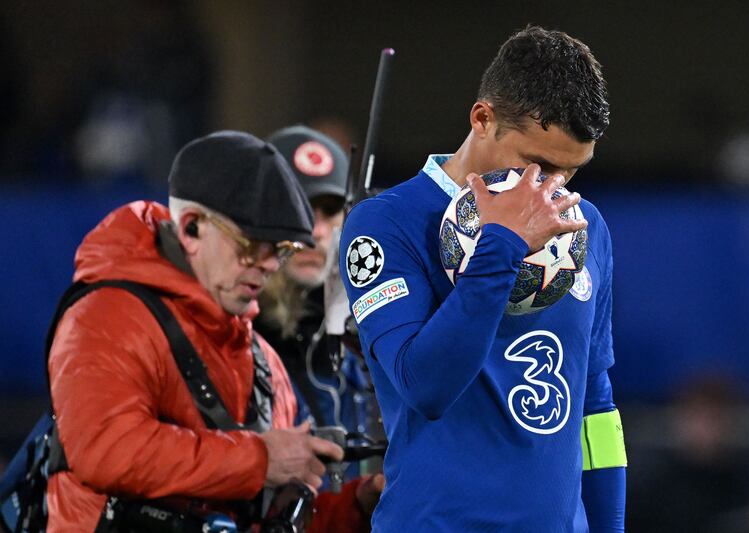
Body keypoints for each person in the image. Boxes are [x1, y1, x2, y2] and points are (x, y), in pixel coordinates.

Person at [340, 26, 626, 531]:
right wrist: (505, 243)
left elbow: (595, 405)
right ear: (482, 119)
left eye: (570, 172)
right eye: (537, 164)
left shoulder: (587, 229)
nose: (550, 189)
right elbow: (425, 386)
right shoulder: (387, 224)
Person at [46, 130, 375, 531]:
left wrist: (355, 508)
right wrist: (259, 459)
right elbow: (107, 450)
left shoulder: (261, 361)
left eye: (281, 249)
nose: (270, 264)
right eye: (253, 244)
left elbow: (266, 518)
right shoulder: (108, 316)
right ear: (191, 228)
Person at [256, 125, 373, 434]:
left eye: (331, 212)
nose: (317, 231)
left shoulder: (362, 337)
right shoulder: (230, 333)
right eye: (302, 209)